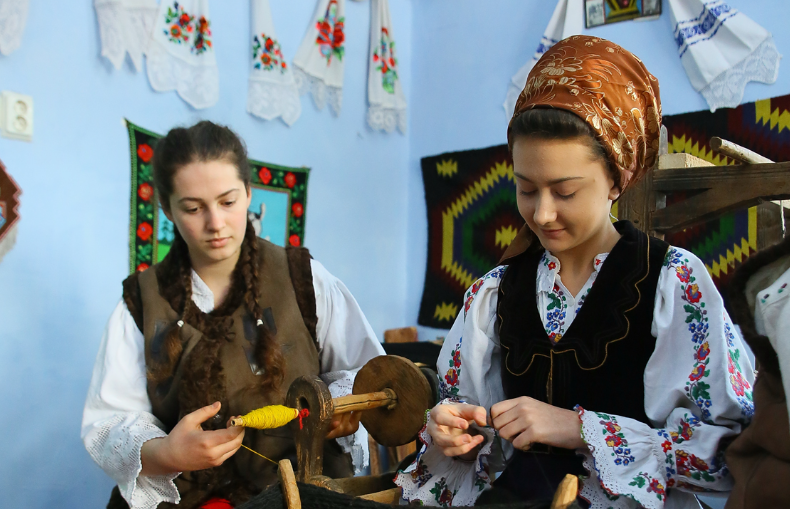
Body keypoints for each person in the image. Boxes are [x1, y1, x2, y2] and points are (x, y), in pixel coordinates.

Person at [395, 35, 755, 508]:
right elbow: (472, 433)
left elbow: (731, 452)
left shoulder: (673, 283)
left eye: (564, 192)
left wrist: (580, 428)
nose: (542, 214)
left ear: (617, 179)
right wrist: (455, 434)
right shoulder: (495, 293)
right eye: (526, 189)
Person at [81, 121, 385, 509]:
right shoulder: (141, 301)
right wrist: (166, 453)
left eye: (227, 202)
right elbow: (109, 421)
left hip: (299, 493)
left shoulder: (304, 279)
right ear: (167, 210)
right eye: (193, 208)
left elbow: (367, 372)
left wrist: (343, 406)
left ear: (248, 193)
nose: (215, 223)